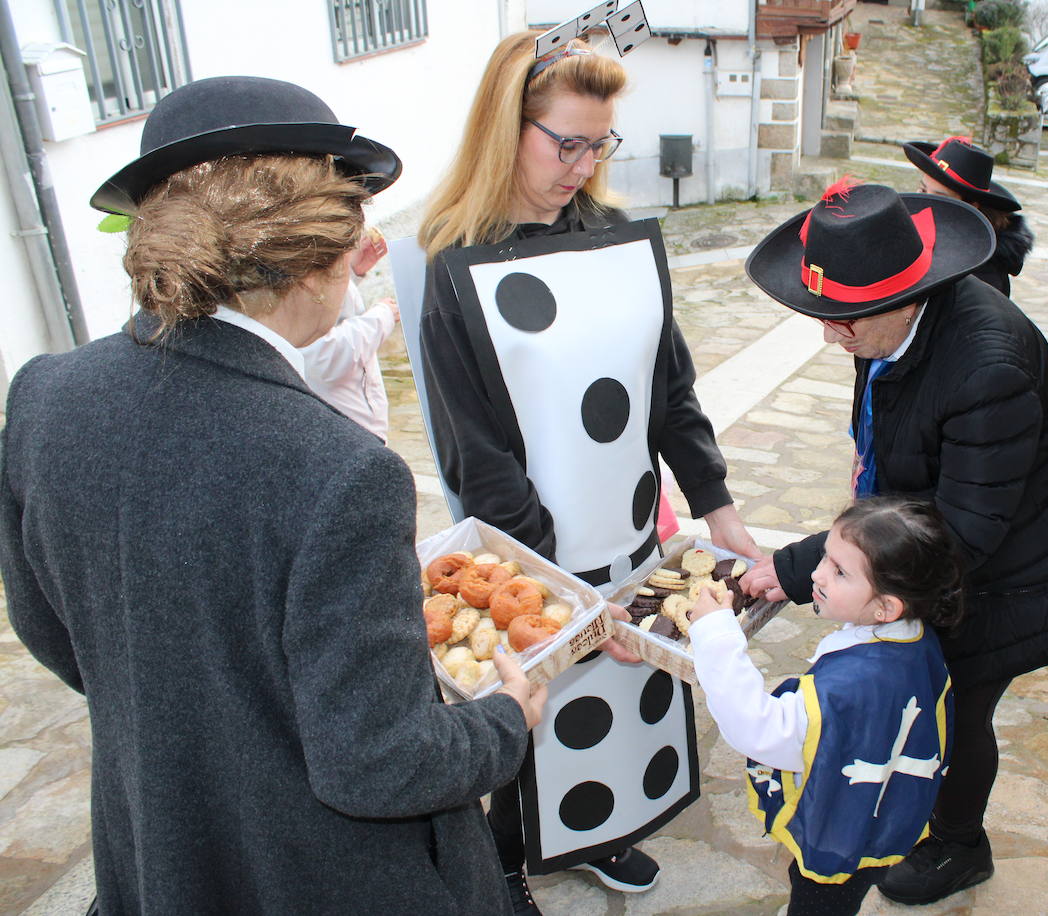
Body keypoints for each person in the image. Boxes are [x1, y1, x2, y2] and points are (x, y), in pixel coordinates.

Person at [0, 76, 547, 914]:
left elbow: (52, 630)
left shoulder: (43, 394)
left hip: (159, 849)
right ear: (324, 255)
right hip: (315, 876)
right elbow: (381, 761)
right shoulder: (338, 472)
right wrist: (506, 718)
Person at [416, 31, 759, 915]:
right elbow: (474, 449)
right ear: (508, 127)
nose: (581, 164)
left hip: (632, 527)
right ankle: (502, 862)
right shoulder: (458, 262)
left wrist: (718, 511)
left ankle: (597, 831)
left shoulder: (615, 241)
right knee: (529, 708)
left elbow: (667, 388)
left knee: (626, 692)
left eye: (597, 143)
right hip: (536, 551)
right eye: (562, 141)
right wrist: (551, 585)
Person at [739, 180, 1048, 906]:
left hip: (1013, 575)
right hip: (943, 553)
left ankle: (958, 845)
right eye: (827, 315)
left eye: (845, 320)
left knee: (959, 706)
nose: (832, 335)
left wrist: (801, 566)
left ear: (910, 293)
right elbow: (894, 437)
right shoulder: (879, 317)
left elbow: (960, 530)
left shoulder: (989, 366)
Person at [689, 496, 961, 916]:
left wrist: (714, 632)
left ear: (886, 606)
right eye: (824, 557)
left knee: (820, 899)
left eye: (838, 570)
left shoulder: (854, 685)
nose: (816, 574)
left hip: (845, 830)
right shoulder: (913, 639)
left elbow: (759, 729)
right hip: (881, 812)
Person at [300, 226, 399, 441]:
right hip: (340, 428)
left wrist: (352, 273)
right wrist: (382, 317)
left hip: (356, 422)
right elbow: (322, 356)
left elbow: (334, 314)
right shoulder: (304, 267)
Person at [902, 136, 1034, 296]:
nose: (924, 202)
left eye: (939, 198)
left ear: (970, 206)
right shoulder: (919, 237)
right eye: (922, 190)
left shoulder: (981, 278)